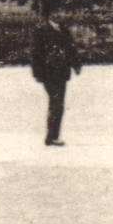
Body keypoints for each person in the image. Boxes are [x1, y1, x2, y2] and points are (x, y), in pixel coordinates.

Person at [31, 9, 83, 147]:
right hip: (48, 73)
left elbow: (71, 49)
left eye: (61, 12)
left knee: (57, 103)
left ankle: (53, 136)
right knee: (56, 102)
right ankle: (52, 136)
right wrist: (37, 73)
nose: (60, 15)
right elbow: (36, 53)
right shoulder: (41, 31)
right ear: (50, 15)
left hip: (62, 72)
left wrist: (76, 65)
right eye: (56, 12)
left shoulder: (64, 31)